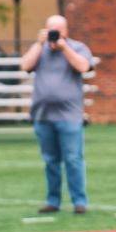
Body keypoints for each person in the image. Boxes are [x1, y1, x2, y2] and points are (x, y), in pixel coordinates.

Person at [19, 15, 94, 214]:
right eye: (51, 29)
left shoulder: (77, 48)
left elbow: (83, 67)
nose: (54, 33)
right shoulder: (39, 49)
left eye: (58, 30)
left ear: (66, 31)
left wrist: (64, 48)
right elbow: (25, 66)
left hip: (69, 116)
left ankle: (79, 201)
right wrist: (38, 44)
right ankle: (53, 201)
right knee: (50, 161)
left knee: (73, 159)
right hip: (43, 116)